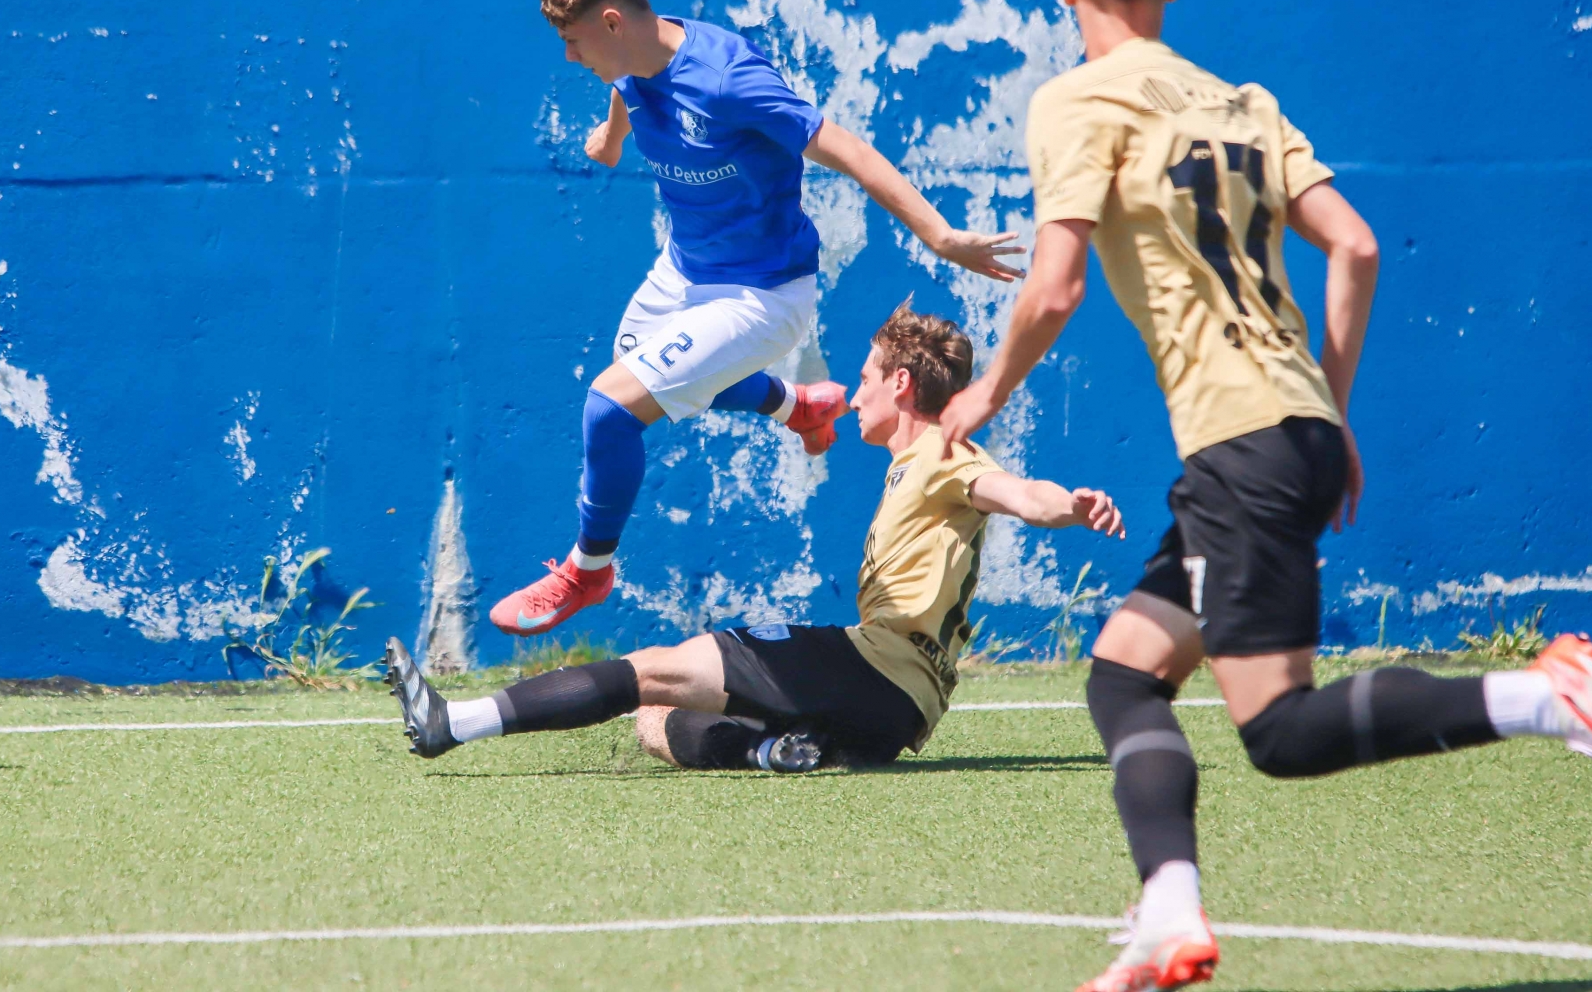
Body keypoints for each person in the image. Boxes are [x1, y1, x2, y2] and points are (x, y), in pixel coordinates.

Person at [934, 0, 1592, 992]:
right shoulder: (1241, 101)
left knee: (1278, 731)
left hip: (1240, 447)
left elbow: (1051, 287)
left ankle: (1546, 695)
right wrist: (1327, 411)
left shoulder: (1076, 102)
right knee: (1124, 672)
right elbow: (1357, 247)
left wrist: (983, 393)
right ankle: (1167, 914)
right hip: (1281, 433)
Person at [488, 0, 1026, 638]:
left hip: (762, 297)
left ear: (612, 22)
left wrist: (941, 237)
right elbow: (629, 87)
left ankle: (588, 571)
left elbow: (850, 150)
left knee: (609, 410)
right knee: (638, 373)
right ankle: (798, 405)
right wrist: (611, 138)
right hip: (682, 270)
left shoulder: (728, 80)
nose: (568, 56)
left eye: (573, 41)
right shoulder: (633, 53)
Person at [390, 301, 1126, 770]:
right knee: (656, 721)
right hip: (897, 714)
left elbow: (1018, 495)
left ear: (901, 384)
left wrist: (1069, 505)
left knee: (650, 671)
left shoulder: (942, 450)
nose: (856, 395)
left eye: (868, 378)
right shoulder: (917, 464)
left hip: (875, 670)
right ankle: (776, 751)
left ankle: (452, 723)